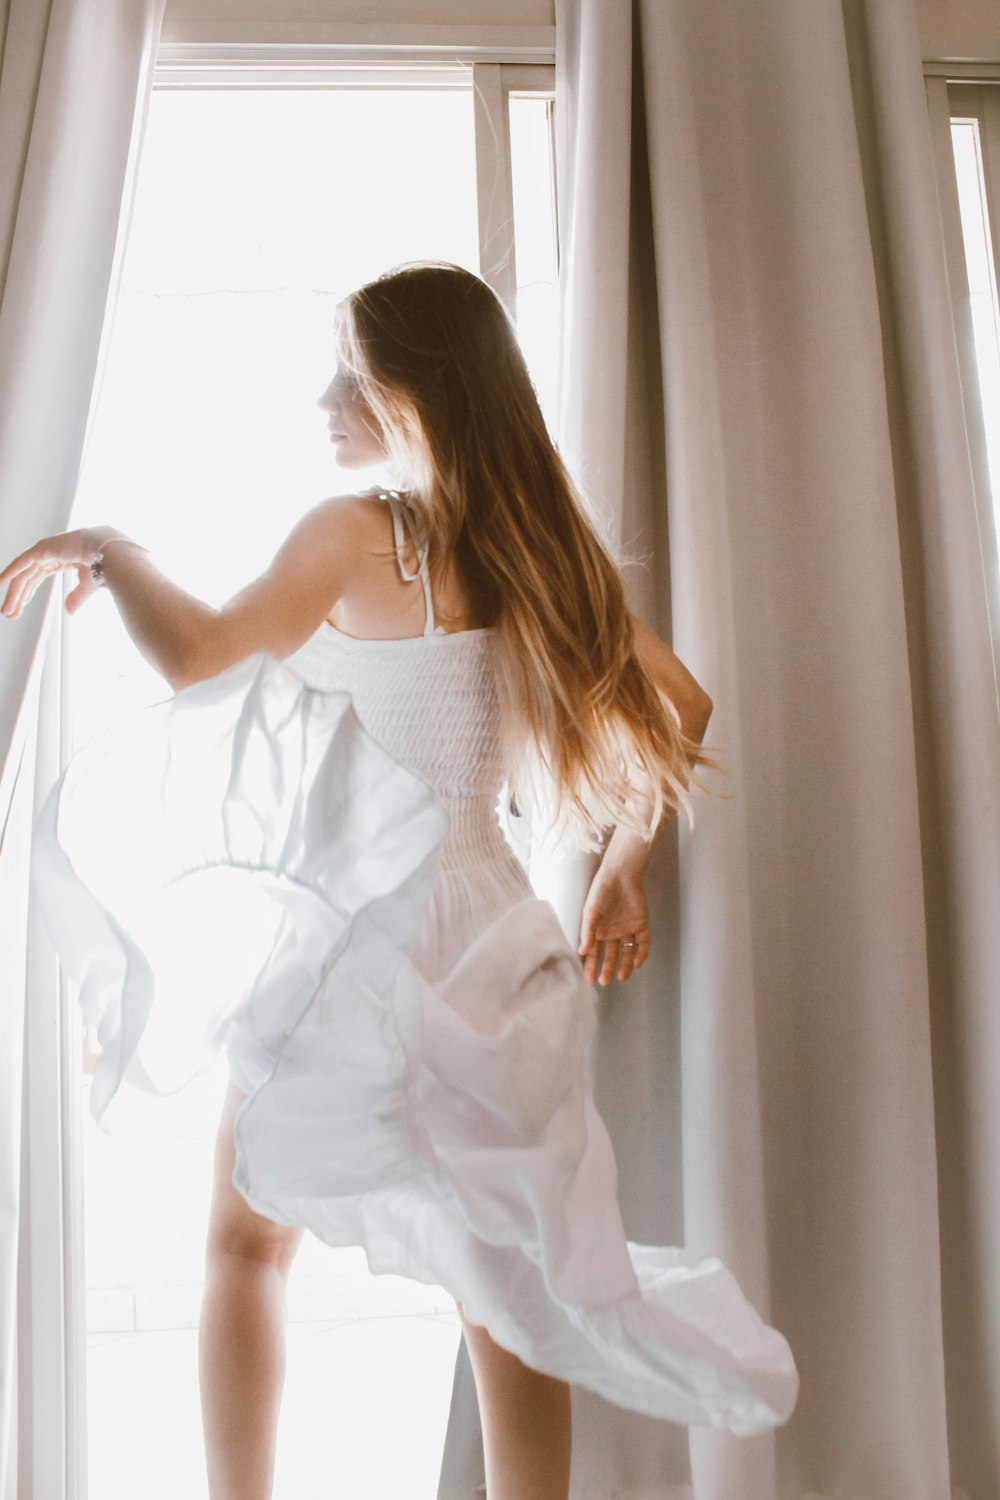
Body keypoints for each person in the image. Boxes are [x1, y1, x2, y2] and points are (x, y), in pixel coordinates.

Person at [0, 261, 797, 1500]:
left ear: (421, 392)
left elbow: (205, 657)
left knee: (247, 1248)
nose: (327, 398)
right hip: (489, 928)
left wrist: (113, 548)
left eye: (351, 374)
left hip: (348, 940)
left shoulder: (358, 535)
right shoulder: (538, 548)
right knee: (505, 1284)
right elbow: (680, 708)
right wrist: (621, 875)